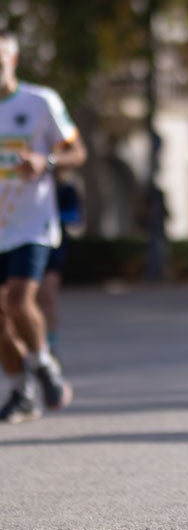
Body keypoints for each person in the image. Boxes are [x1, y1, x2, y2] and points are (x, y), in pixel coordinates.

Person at [0, 31, 88, 424]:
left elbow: (77, 151)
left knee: (20, 301)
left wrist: (45, 162)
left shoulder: (40, 102)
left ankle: (44, 363)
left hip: (31, 224)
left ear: (13, 60)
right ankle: (21, 392)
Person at [37, 176, 84, 360]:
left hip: (53, 245)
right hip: (20, 243)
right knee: (23, 300)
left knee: (47, 295)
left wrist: (50, 215)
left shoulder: (65, 188)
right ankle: (33, 343)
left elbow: (74, 216)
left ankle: (50, 343)